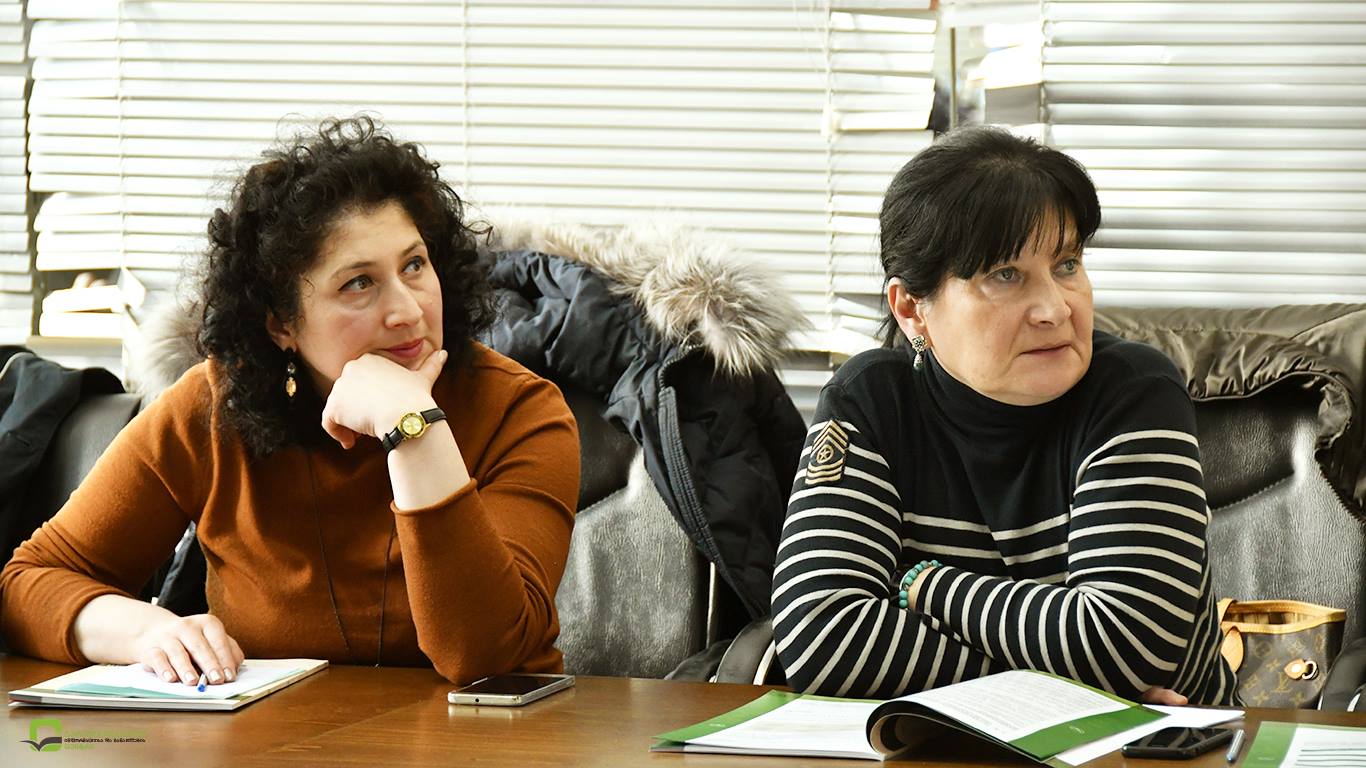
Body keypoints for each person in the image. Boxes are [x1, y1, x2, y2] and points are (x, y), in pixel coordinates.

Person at [0, 117, 580, 686]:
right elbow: (30, 580)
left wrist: (413, 426)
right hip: (273, 736)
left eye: (414, 265)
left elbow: (483, 656)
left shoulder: (522, 411)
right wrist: (148, 632)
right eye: (359, 283)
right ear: (281, 323)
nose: (408, 309)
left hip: (482, 738)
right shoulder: (214, 407)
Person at [772, 126, 1237, 705]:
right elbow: (823, 641)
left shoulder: (1136, 394)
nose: (1054, 309)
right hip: (936, 747)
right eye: (1005, 275)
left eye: (1067, 264)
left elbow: (1121, 646)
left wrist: (924, 586)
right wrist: (1064, 691)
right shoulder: (870, 402)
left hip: (1153, 749)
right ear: (912, 308)